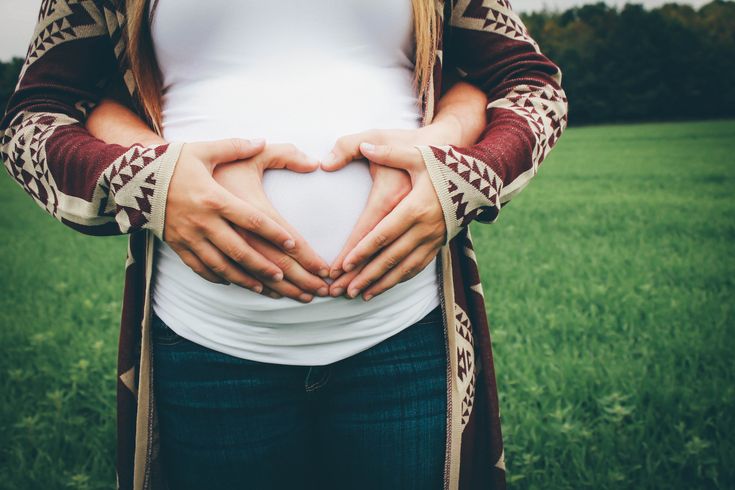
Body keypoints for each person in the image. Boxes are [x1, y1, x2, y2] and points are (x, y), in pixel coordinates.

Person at [0, 1, 568, 489]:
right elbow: (34, 116)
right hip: (205, 347)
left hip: (406, 340)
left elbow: (529, 83)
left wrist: (459, 173)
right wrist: (154, 182)